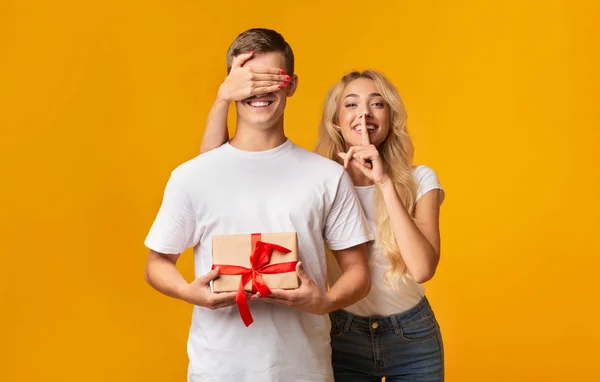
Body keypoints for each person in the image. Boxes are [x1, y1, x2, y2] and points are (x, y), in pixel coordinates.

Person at [144, 28, 373, 382]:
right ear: (232, 86)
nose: (260, 91)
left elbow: (358, 271)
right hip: (217, 371)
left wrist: (323, 302)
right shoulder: (191, 176)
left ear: (291, 85)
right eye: (250, 81)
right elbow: (157, 263)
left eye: (272, 78)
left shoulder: (328, 177)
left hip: (304, 370)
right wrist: (189, 292)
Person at [202, 68, 445, 381]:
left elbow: (423, 268)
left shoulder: (420, 179)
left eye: (377, 104)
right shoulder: (317, 180)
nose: (365, 113)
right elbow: (210, 172)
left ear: (390, 117)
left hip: (413, 335)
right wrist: (223, 99)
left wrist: (384, 181)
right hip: (344, 331)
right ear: (336, 121)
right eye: (352, 104)